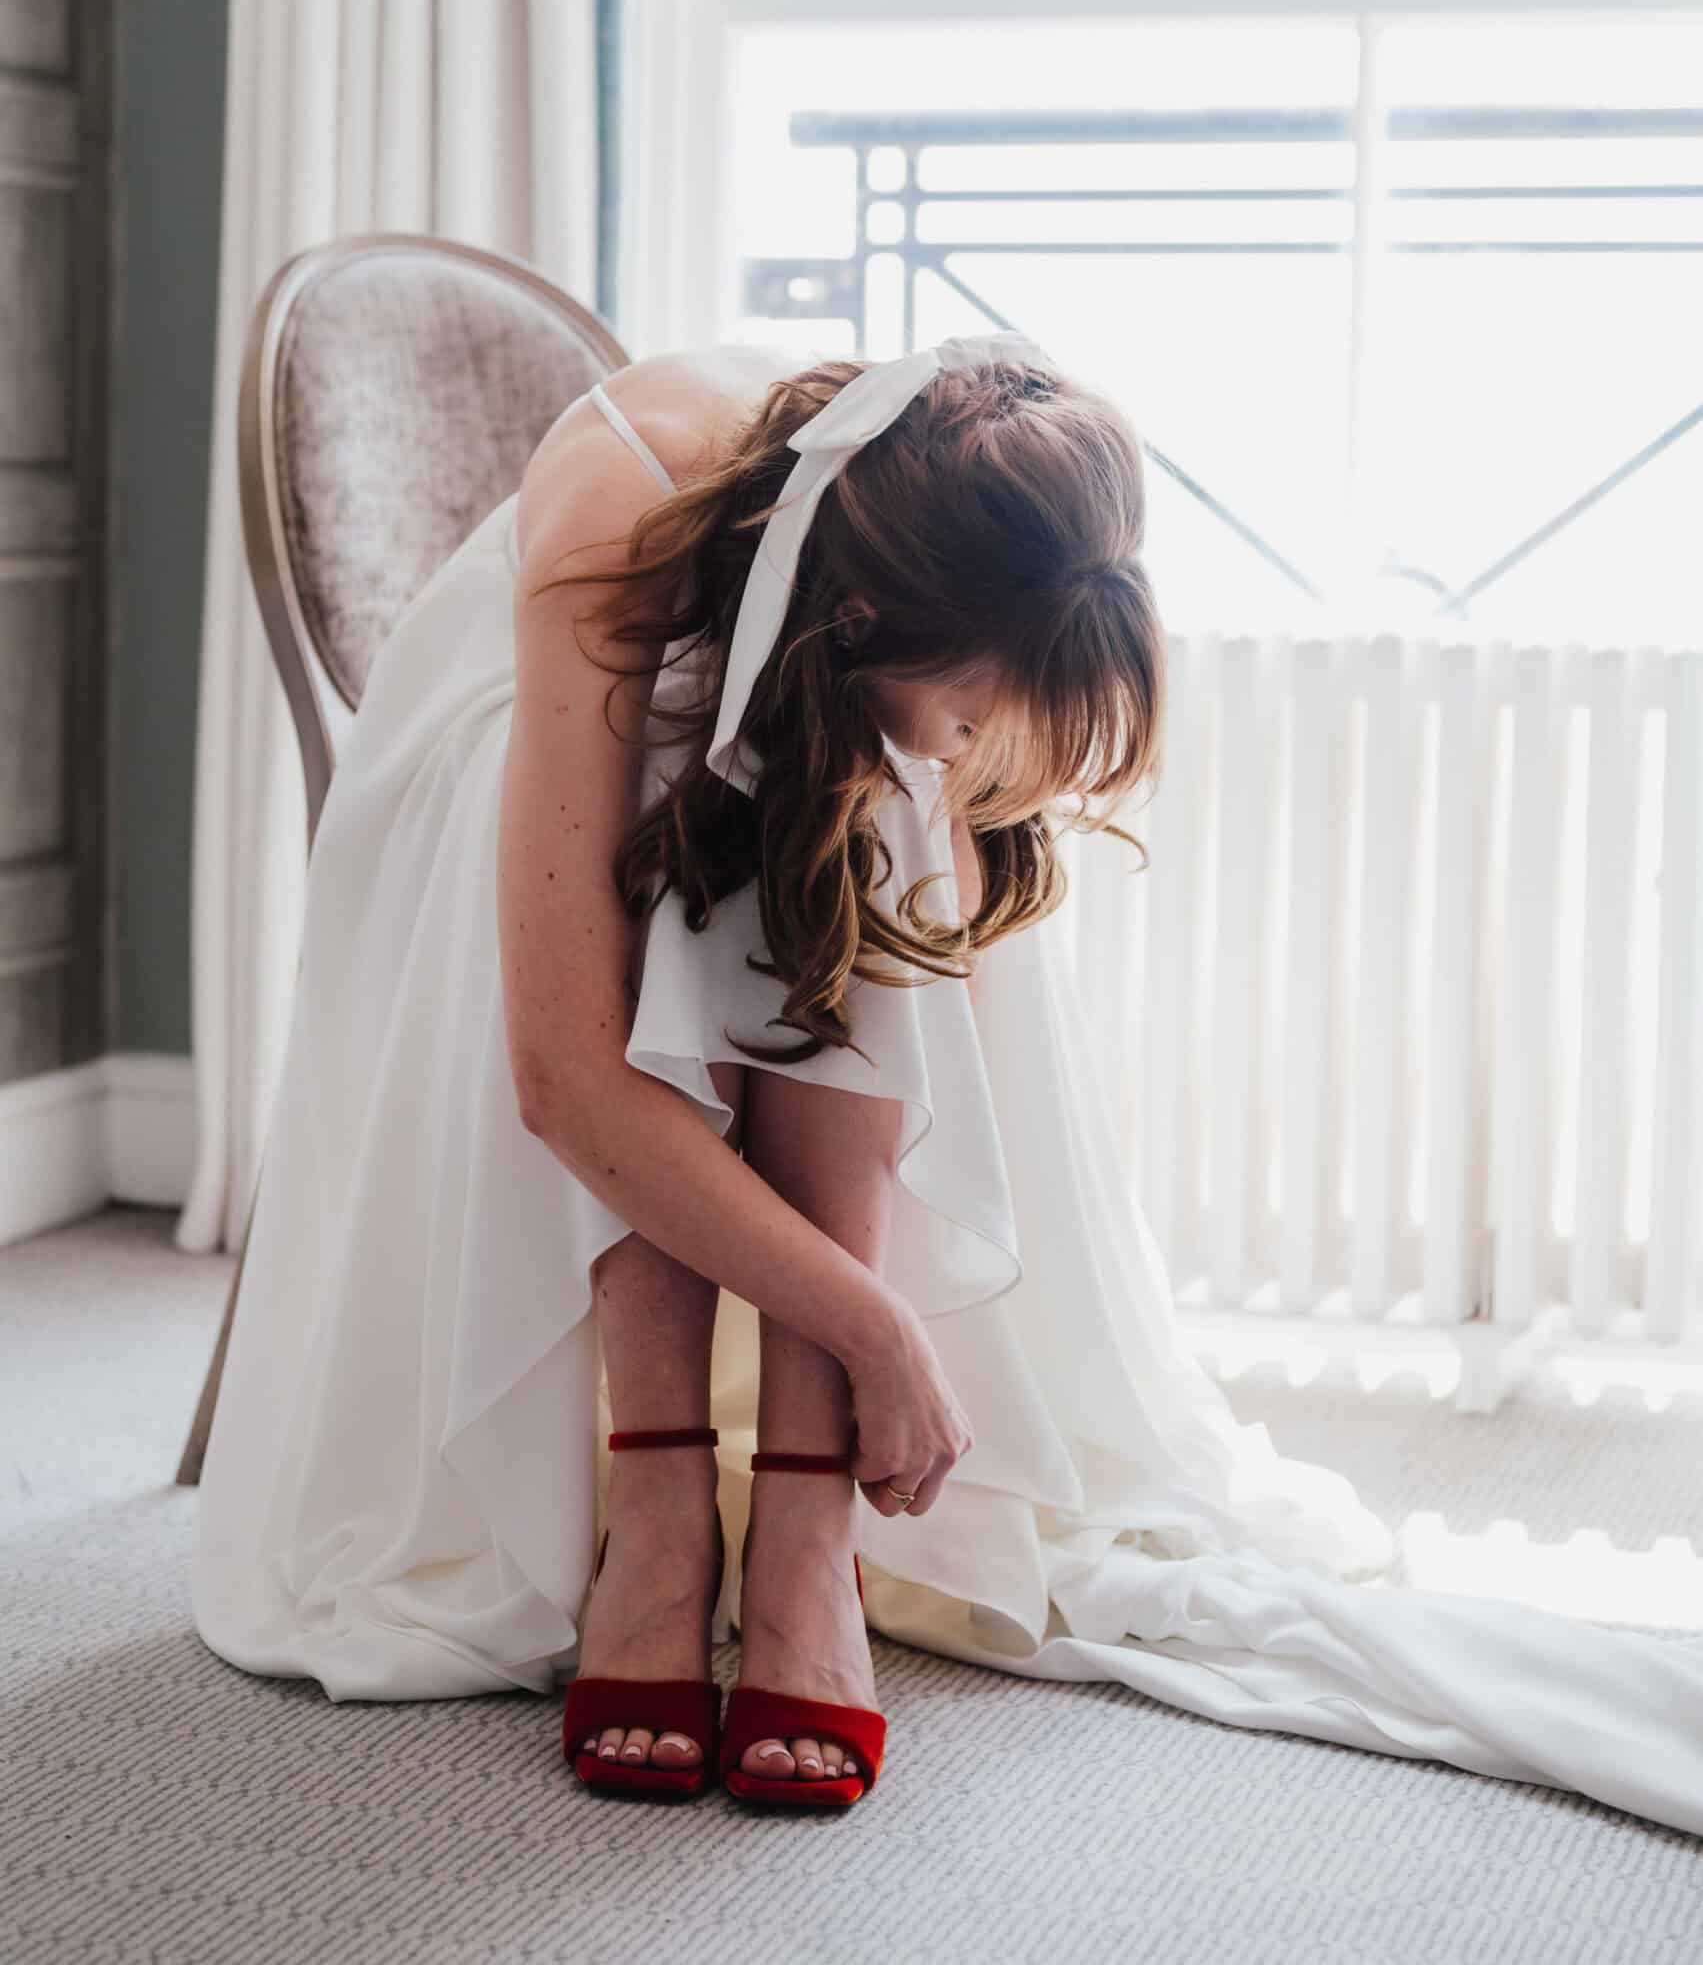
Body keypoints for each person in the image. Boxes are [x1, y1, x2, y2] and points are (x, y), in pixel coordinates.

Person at [192, 331, 1703, 1833]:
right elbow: (570, 1079)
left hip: (803, 716)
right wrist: (875, 1326)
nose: (994, 749)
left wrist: (927, 771)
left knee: (882, 808)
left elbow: (918, 801)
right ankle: (655, 1508)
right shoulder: (621, 520)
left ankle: (804, 1520)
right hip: (497, 783)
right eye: (983, 712)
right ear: (856, 613)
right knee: (696, 825)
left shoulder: (980, 498)